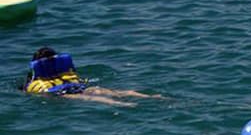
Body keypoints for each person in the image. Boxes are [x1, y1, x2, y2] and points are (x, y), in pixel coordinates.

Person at [22, 47, 158, 106]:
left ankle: (123, 104)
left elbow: (29, 90)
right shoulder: (66, 72)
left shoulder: (32, 79)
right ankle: (152, 97)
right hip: (77, 86)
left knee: (90, 98)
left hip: (60, 93)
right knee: (110, 91)